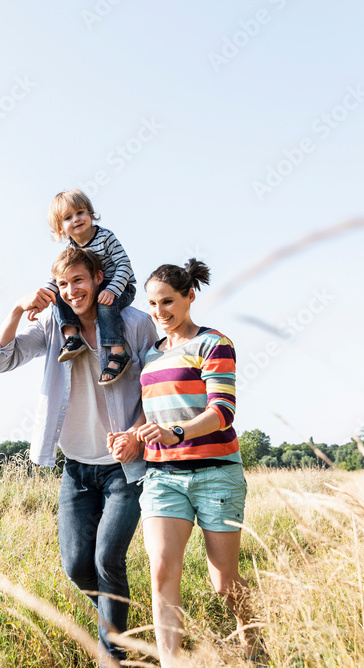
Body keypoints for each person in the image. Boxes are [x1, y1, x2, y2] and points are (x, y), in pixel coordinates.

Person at [0, 247, 156, 664]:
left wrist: (138, 434)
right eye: (63, 283)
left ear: (98, 278)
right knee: (77, 564)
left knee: (106, 559)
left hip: (125, 467)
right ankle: (124, 634)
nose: (71, 290)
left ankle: (114, 656)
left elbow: (161, 387)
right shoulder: (53, 324)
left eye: (78, 280)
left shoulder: (134, 324)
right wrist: (15, 309)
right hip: (77, 468)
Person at [110, 259, 260, 666]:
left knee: (224, 583)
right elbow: (150, 414)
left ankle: (257, 650)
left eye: (168, 302)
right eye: (153, 304)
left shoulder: (214, 344)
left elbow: (222, 413)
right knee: (161, 573)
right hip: (162, 478)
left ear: (190, 296)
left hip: (216, 475)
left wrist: (176, 432)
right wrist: (131, 437)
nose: (160, 313)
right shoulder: (148, 357)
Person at [24, 189, 137, 385]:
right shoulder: (71, 250)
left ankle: (118, 353)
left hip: (120, 286)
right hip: (95, 287)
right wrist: (42, 298)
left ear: (90, 213)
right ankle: (72, 337)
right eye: (68, 217)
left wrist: (112, 290)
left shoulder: (105, 237)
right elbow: (56, 279)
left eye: (80, 212)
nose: (76, 219)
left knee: (104, 304)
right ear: (61, 228)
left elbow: (124, 264)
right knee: (61, 294)